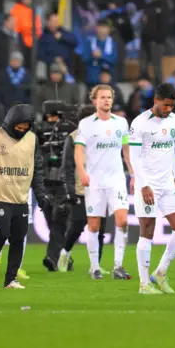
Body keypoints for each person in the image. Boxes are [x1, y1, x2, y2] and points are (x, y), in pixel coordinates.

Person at [0, 104, 48, 289]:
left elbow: (37, 168)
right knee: (1, 234)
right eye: (18, 128)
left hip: (21, 197)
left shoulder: (32, 140)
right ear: (10, 123)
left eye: (25, 128)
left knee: (18, 238)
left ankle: (10, 279)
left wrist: (40, 194)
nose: (22, 131)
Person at [129, 83, 175, 295]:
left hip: (167, 183)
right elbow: (134, 157)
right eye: (165, 105)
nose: (169, 109)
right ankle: (144, 284)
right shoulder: (139, 124)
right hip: (148, 184)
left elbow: (174, 151)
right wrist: (143, 184)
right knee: (147, 232)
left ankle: (160, 272)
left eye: (172, 106)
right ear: (156, 100)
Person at [73, 85, 133, 280]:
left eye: (109, 97)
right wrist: (81, 171)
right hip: (95, 182)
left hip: (116, 180)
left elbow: (126, 150)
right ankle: (95, 267)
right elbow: (78, 150)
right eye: (102, 97)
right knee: (93, 225)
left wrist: (133, 174)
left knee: (122, 221)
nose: (106, 100)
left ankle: (118, 266)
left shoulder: (121, 123)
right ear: (95, 101)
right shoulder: (86, 124)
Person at [59, 104, 109, 272]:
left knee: (100, 229)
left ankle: (95, 265)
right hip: (80, 191)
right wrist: (69, 190)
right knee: (77, 225)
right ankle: (65, 253)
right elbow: (66, 167)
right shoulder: (73, 139)